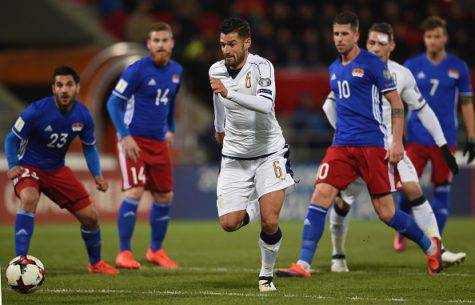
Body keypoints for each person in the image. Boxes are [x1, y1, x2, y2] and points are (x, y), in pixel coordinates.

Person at [276, 11, 442, 278]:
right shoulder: (334, 68)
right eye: (335, 34)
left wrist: (397, 141)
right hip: (341, 146)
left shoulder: (374, 64)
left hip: (372, 146)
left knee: (386, 213)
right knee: (320, 196)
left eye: (344, 34)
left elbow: (397, 104)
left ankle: (429, 246)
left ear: (355, 35)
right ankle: (303, 264)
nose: (339, 39)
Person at [322, 22, 464, 273]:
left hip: (390, 148)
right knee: (344, 201)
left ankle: (438, 251)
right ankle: (338, 255)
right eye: (371, 43)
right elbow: (328, 106)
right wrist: (343, 134)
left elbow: (422, 109)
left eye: (381, 44)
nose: (375, 48)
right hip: (357, 146)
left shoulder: (402, 75)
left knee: (413, 189)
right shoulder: (354, 67)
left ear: (392, 46)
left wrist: (442, 144)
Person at [4, 66, 119, 274]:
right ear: (53, 89)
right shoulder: (35, 111)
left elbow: (90, 147)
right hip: (29, 165)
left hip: (57, 170)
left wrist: (98, 176)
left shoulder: (83, 115)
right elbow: (12, 139)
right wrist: (13, 165)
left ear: (77, 88)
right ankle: (20, 262)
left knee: (91, 217)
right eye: (59, 85)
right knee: (29, 198)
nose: (64, 90)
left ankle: (96, 264)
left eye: (69, 85)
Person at [209, 17, 296, 292]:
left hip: (269, 151)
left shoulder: (262, 66)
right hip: (234, 155)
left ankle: (266, 274)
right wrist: (219, 127)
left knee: (270, 221)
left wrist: (230, 94)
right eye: (223, 44)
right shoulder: (215, 69)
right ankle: (253, 206)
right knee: (229, 223)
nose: (226, 50)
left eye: (232, 43)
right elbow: (216, 97)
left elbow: (265, 104)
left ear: (247, 42)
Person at [397, 16, 473, 261]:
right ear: (424, 39)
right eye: (429, 36)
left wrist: (471, 135)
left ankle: (436, 242)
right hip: (416, 139)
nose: (433, 40)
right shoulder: (411, 65)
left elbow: (467, 102)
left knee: (442, 188)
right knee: (407, 188)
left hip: (446, 139)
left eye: (437, 36)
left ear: (445, 38)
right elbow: (398, 102)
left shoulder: (458, 67)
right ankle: (402, 229)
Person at [107, 22, 182, 269]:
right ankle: (123, 253)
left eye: (165, 40)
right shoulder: (136, 70)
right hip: (134, 141)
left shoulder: (176, 71)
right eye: (156, 41)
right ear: (149, 44)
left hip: (159, 142)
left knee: (165, 195)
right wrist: (124, 135)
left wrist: (170, 128)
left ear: (171, 43)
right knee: (135, 191)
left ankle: (156, 251)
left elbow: (170, 102)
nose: (160, 45)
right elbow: (112, 103)